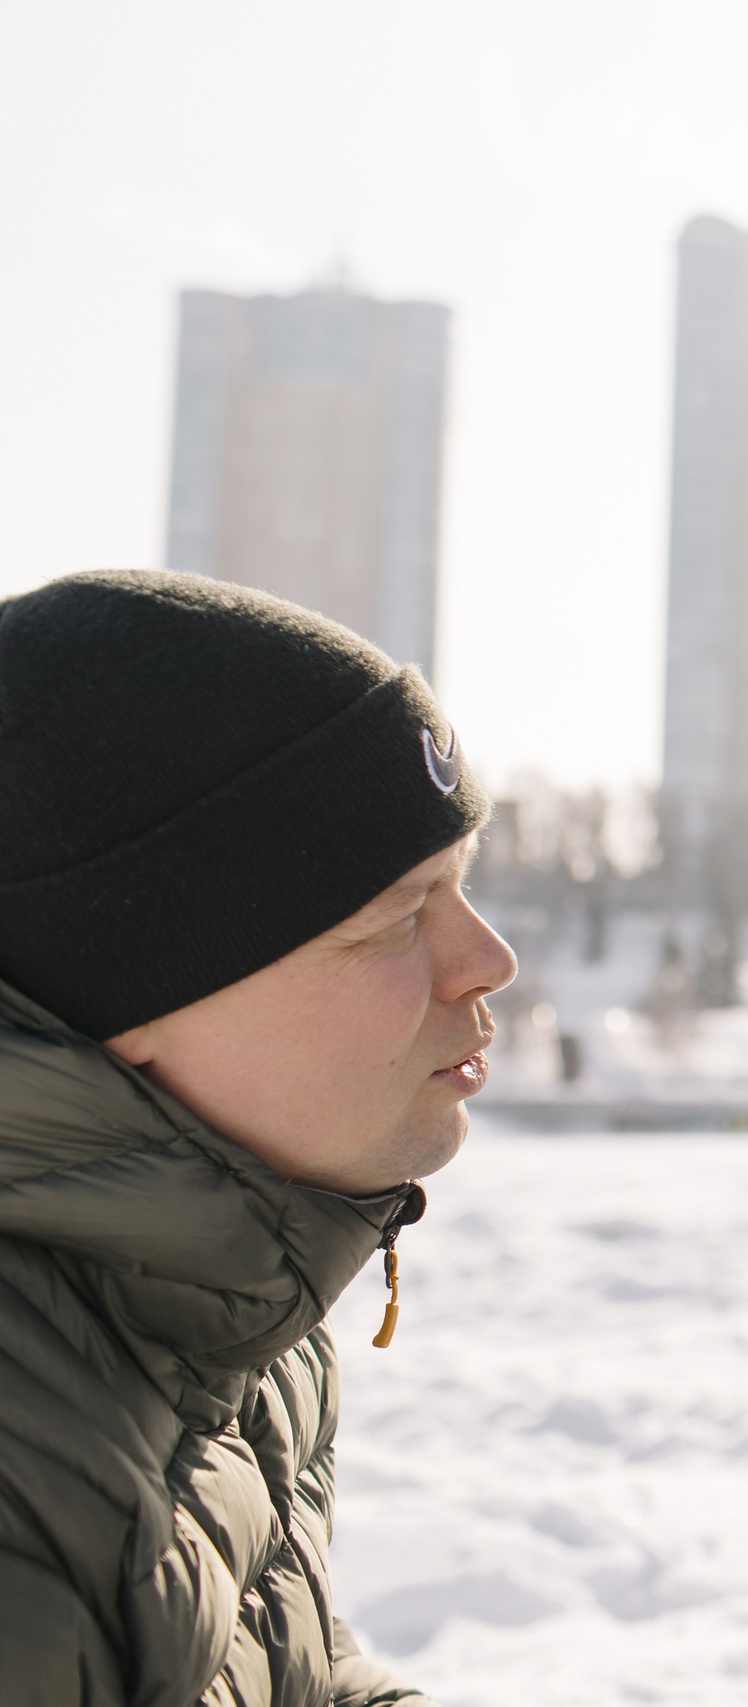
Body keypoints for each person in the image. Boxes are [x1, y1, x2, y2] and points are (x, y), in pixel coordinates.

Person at [0, 571, 514, 1705]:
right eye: (395, 917)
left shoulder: (222, 1319)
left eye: (460, 886)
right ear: (129, 995)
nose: (488, 961)